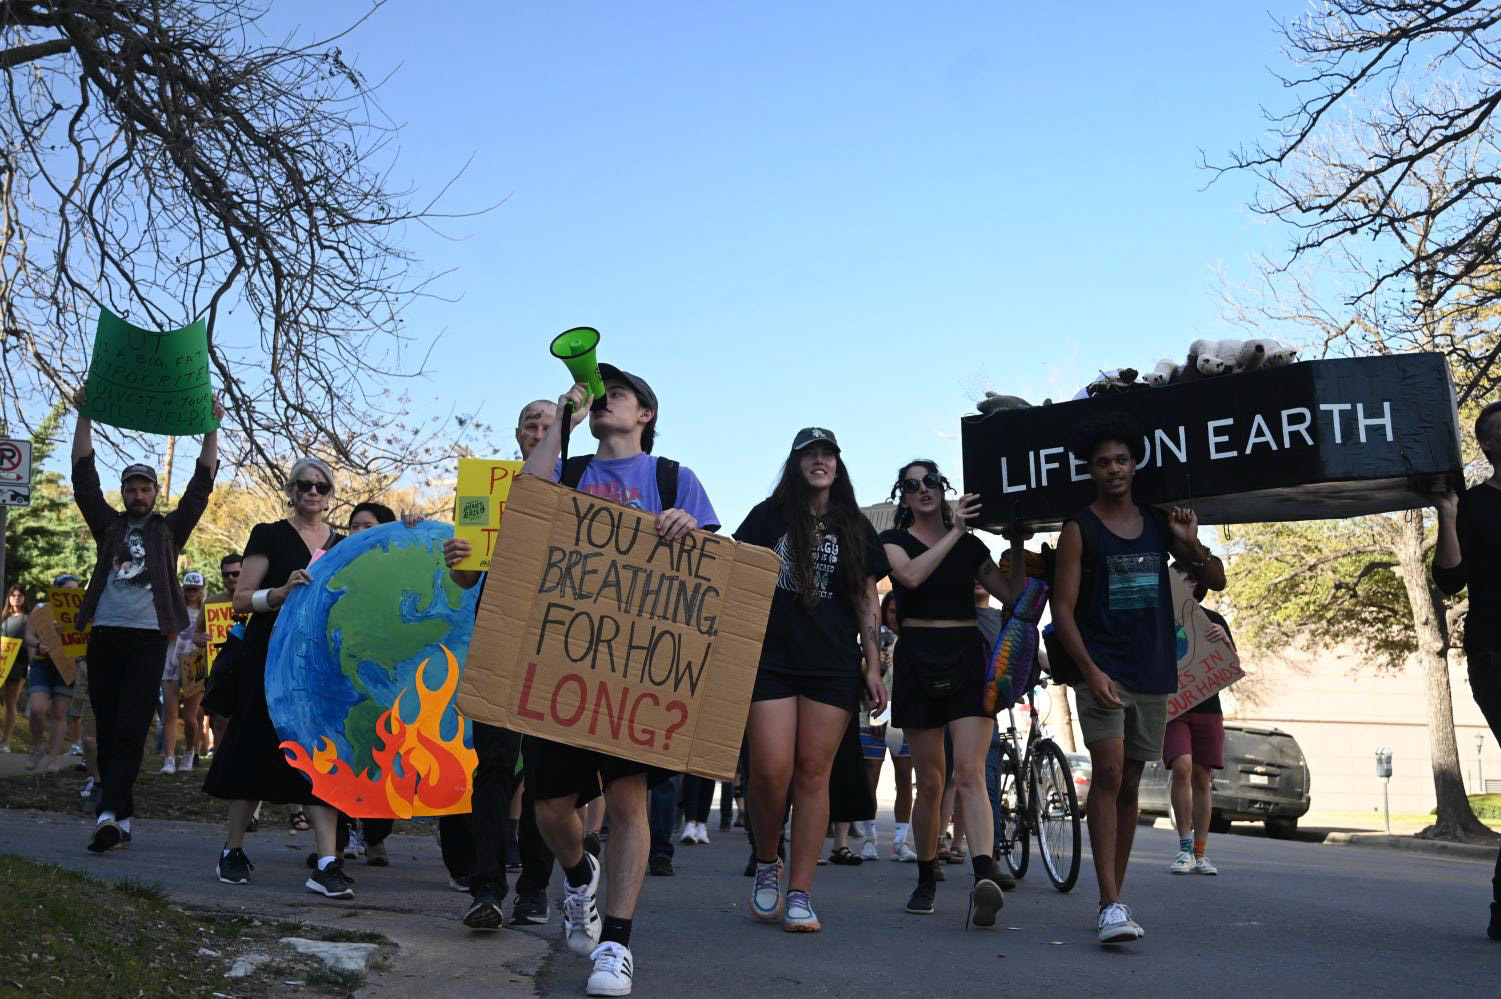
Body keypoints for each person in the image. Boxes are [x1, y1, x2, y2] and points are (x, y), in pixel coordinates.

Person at [518, 365, 718, 996]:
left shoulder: (672, 479)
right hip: (563, 664)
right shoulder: (570, 473)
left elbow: (715, 571)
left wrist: (691, 530)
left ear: (646, 415)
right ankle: (580, 878)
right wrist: (563, 417)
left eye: (617, 395)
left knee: (629, 802)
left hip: (635, 668)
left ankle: (617, 946)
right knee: (550, 808)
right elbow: (526, 499)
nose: (604, 401)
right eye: (597, 395)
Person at [1049, 412, 1224, 945]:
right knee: (1106, 773)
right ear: (1092, 471)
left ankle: (1116, 897)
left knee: (1128, 782)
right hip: (1102, 669)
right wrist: (1090, 671)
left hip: (1153, 671)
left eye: (1121, 460)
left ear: (1135, 464)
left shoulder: (1156, 523)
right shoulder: (1080, 528)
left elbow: (1214, 579)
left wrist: (1189, 543)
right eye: (1103, 463)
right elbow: (1062, 609)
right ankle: (1109, 902)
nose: (1113, 469)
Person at [734, 427, 887, 932]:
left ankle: (799, 892)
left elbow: (867, 597)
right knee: (770, 771)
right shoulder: (767, 515)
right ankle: (765, 861)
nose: (819, 461)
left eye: (827, 454)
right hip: (771, 657)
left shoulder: (856, 526)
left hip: (832, 663)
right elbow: (736, 572)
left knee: (812, 773)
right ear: (796, 464)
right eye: (809, 454)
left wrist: (873, 662)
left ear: (838, 466)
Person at [70, 387, 222, 853]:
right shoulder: (108, 526)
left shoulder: (168, 531)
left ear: (155, 494)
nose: (137, 495)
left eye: (145, 489)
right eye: (131, 489)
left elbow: (201, 487)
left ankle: (109, 812)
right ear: (124, 495)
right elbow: (83, 479)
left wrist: (211, 427)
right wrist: (85, 415)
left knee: (134, 726)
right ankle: (122, 815)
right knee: (112, 726)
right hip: (106, 634)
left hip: (149, 638)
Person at [879, 459, 1024, 928]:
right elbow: (912, 578)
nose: (923, 490)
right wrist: (955, 531)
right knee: (931, 782)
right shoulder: (893, 542)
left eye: (931, 482)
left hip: (967, 655)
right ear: (902, 496)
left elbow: (1011, 596)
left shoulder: (969, 543)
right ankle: (926, 875)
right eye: (912, 485)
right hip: (918, 656)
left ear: (943, 488)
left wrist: (1018, 543)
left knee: (969, 772)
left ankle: (984, 875)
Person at [203, 457, 351, 898]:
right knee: (253, 750)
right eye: (304, 484)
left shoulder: (342, 544)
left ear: (330, 495)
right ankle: (232, 850)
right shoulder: (269, 534)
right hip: (267, 659)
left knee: (321, 758)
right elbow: (242, 600)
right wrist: (281, 594)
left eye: (322, 487)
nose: (313, 492)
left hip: (318, 666)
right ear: (291, 489)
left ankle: (327, 863)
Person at [448, 399, 560, 931]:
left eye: (547, 424)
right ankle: (486, 887)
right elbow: (468, 579)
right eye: (531, 425)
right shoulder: (487, 491)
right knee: (492, 769)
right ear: (517, 434)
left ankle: (535, 888)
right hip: (496, 641)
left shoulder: (582, 487)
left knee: (543, 774)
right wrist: (457, 564)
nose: (539, 432)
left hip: (558, 649)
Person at [1432, 398, 1501, 941]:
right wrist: (1448, 515)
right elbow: (1451, 580)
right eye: (1498, 433)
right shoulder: (1474, 506)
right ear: (1485, 445)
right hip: (1495, 652)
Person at [1166, 562, 1232, 877]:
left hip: (1208, 705)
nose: (1180, 583)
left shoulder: (1213, 620)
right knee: (1182, 766)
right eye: (1174, 577)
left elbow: (1231, 664)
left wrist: (1224, 639)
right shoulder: (1159, 619)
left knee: (1202, 778)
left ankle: (1202, 853)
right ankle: (1184, 847)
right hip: (1174, 707)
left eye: (1185, 578)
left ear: (1196, 584)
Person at [23, 576, 81, 771]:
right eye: (68, 588)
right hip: (43, 665)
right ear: (56, 590)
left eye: (76, 589)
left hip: (67, 666)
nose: (72, 592)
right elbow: (29, 635)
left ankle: (53, 758)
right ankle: (38, 747)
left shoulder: (80, 612)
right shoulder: (41, 610)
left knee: (59, 712)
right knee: (37, 709)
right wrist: (38, 645)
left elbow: (85, 641)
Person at [878, 593, 918, 862]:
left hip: (907, 714)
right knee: (870, 775)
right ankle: (869, 838)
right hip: (873, 711)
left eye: (898, 611)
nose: (895, 617)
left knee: (904, 777)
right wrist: (876, 665)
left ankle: (900, 841)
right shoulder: (872, 637)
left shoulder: (915, 638)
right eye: (891, 611)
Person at [160, 572, 210, 774]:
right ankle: (169, 759)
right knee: (170, 714)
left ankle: (190, 751)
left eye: (195, 589)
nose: (192, 593)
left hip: (195, 664)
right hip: (170, 662)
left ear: (201, 590)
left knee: (190, 717)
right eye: (188, 588)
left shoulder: (207, 611)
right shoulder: (173, 609)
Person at [2, 585, 29, 753]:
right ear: (9, 598)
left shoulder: (28, 619)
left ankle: (6, 742)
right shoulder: (4, 617)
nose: (16, 598)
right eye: (13, 595)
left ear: (24, 598)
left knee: (10, 703)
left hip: (18, 665)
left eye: (19, 595)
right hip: (2, 663)